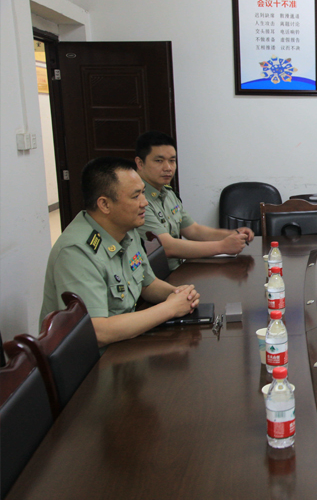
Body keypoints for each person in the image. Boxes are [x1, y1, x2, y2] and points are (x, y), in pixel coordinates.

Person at [40, 157, 200, 348]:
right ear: (105, 205)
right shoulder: (76, 252)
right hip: (95, 359)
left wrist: (179, 294)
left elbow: (147, 284)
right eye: (135, 196)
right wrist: (170, 308)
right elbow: (98, 331)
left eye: (143, 192)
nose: (145, 202)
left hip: (124, 343)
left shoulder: (126, 229)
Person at [135, 131, 254, 271]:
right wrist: (222, 246)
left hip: (178, 271)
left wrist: (232, 234)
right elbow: (167, 246)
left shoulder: (168, 193)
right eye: (159, 161)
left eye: (172, 161)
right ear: (140, 163)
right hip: (155, 278)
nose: (168, 168)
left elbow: (193, 230)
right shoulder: (137, 200)